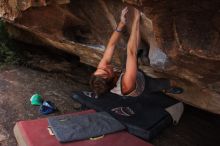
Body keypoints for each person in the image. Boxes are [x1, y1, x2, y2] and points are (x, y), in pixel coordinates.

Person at [90, 7, 182, 97]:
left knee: (130, 54)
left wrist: (122, 23)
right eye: (106, 71)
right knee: (168, 82)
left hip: (125, 72)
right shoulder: (126, 85)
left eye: (100, 69)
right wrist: (136, 19)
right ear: (112, 79)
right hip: (143, 85)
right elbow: (131, 52)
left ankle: (141, 53)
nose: (104, 66)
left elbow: (111, 45)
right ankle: (167, 89)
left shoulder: (101, 72)